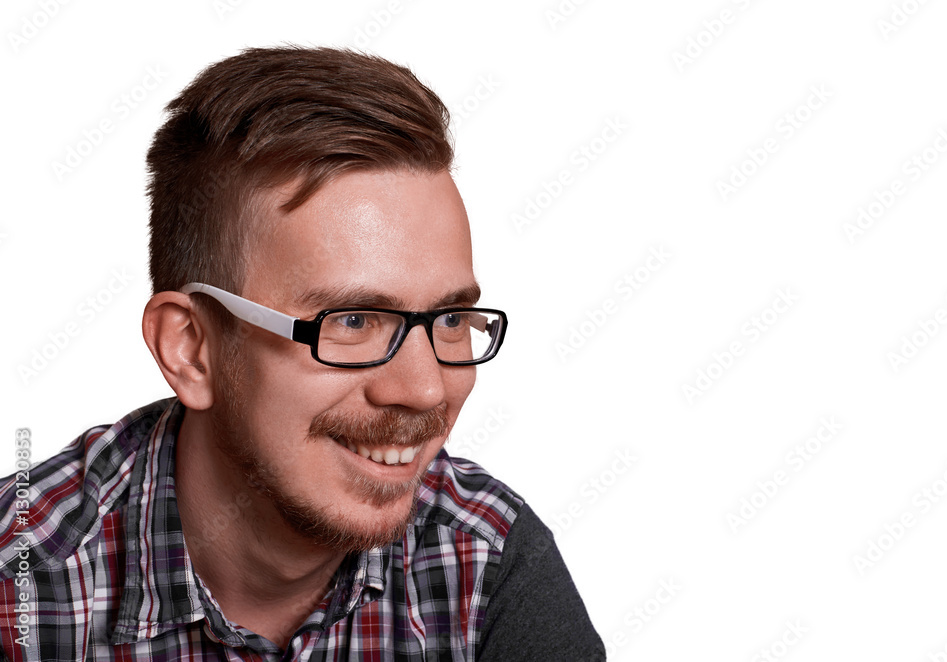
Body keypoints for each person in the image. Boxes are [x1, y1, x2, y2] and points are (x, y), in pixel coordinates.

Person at [0, 46, 604, 661]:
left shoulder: (487, 561)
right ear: (190, 348)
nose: (424, 389)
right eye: (353, 320)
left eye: (450, 319)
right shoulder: (20, 583)